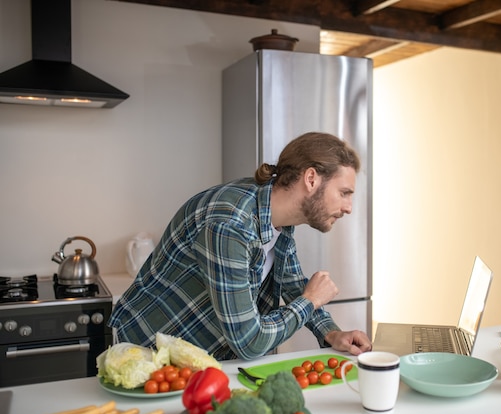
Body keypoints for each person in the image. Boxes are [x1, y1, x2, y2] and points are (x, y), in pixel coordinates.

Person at [108, 132, 372, 360]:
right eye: (344, 193)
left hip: (197, 358)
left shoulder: (278, 217)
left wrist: (332, 333)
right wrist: (310, 300)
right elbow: (248, 341)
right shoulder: (230, 223)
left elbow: (292, 285)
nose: (349, 208)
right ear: (311, 179)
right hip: (144, 355)